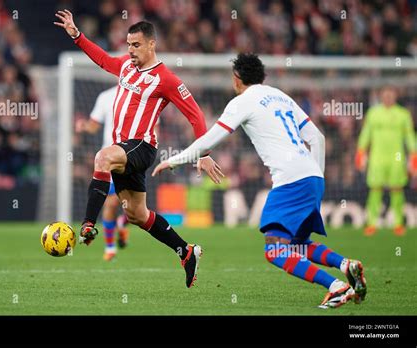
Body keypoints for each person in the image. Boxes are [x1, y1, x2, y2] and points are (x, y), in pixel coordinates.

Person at [153, 53, 367, 308]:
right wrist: (316, 177)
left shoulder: (242, 101)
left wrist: (174, 160)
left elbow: (210, 139)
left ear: (237, 78)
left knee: (274, 250)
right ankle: (346, 265)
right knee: (296, 244)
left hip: (291, 180)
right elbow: (317, 138)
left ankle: (336, 286)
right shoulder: (281, 96)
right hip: (312, 177)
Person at [54, 10, 221, 287]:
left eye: (136, 45)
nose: (130, 50)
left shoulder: (166, 79)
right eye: (128, 44)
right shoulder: (126, 66)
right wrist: (77, 36)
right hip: (124, 149)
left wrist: (204, 154)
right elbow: (103, 59)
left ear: (151, 44)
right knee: (136, 215)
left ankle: (86, 224)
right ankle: (186, 252)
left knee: (102, 157)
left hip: (141, 146)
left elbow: (195, 114)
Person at [76, 86, 129, 261]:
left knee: (134, 207)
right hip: (111, 157)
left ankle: (122, 223)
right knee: (111, 203)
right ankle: (110, 247)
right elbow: (93, 126)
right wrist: (84, 125)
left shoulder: (143, 93)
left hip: (136, 155)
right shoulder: (106, 96)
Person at [355, 85, 416, 236]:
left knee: (397, 190)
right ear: (381, 96)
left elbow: (409, 135)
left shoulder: (403, 114)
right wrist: (361, 151)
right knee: (375, 190)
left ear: (395, 96)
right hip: (377, 158)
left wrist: (414, 153)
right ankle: (371, 224)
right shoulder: (374, 113)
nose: (388, 97)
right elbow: (366, 133)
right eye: (385, 94)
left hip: (396, 158)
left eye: (391, 94)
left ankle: (398, 224)